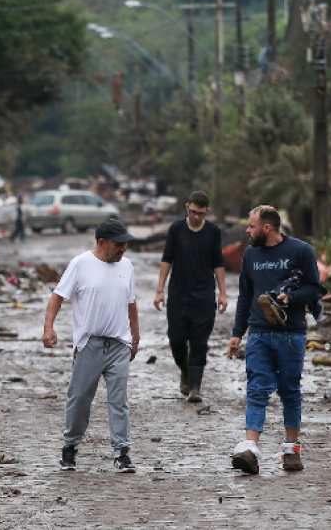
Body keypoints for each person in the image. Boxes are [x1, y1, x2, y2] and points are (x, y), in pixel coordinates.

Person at [227, 205, 324, 474]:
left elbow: (314, 289)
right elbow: (245, 296)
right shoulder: (250, 254)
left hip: (291, 334)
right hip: (258, 333)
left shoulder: (300, 251)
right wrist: (237, 333)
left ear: (266, 227)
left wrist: (290, 298)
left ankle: (291, 450)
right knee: (256, 388)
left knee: (289, 390)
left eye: (251, 226)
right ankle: (250, 449)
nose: (247, 230)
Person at [42, 218, 140, 473]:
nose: (123, 249)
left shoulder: (127, 266)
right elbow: (57, 296)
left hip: (119, 344)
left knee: (119, 400)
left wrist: (135, 337)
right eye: (118, 245)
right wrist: (49, 327)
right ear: (102, 242)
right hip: (90, 345)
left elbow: (131, 304)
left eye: (125, 244)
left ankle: (122, 452)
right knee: (80, 399)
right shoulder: (80, 264)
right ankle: (70, 446)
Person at [154, 191, 227, 403]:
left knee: (199, 342)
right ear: (187, 207)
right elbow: (167, 258)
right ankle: (184, 370)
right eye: (193, 212)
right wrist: (160, 290)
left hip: (204, 296)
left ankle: (195, 387)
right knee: (176, 339)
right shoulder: (176, 229)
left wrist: (223, 293)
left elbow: (218, 263)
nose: (196, 217)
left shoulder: (213, 232)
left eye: (201, 214)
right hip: (178, 294)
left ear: (207, 212)